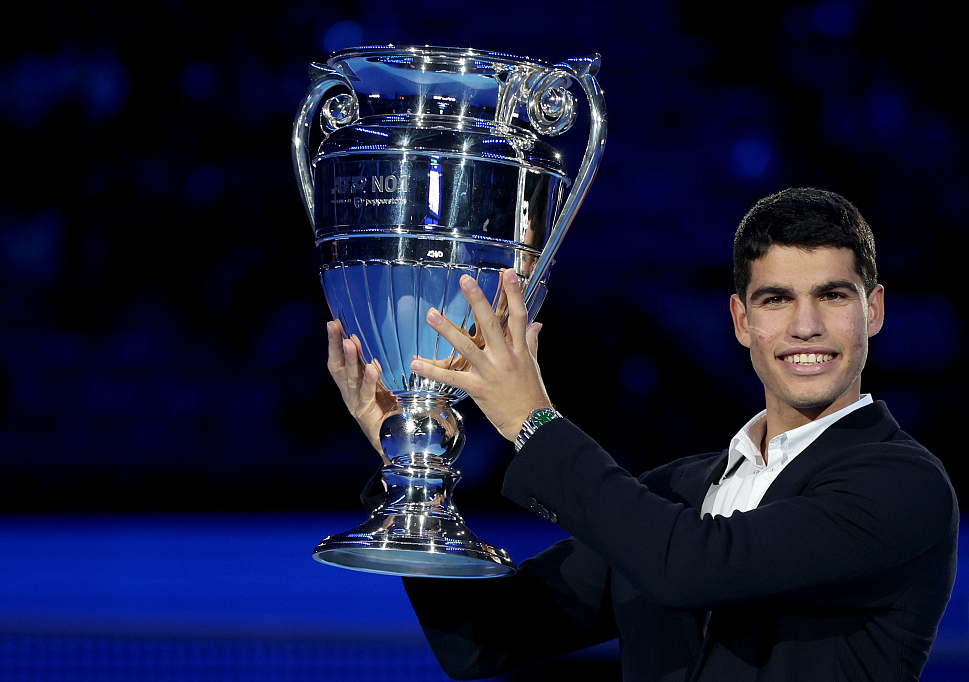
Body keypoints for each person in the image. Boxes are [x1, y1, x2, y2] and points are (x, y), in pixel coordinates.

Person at [325, 187, 958, 681]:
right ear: (741, 320)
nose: (806, 326)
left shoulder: (902, 485)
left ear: (872, 310)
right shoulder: (680, 492)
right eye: (775, 300)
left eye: (833, 297)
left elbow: (691, 568)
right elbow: (483, 639)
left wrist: (532, 420)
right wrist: (411, 466)